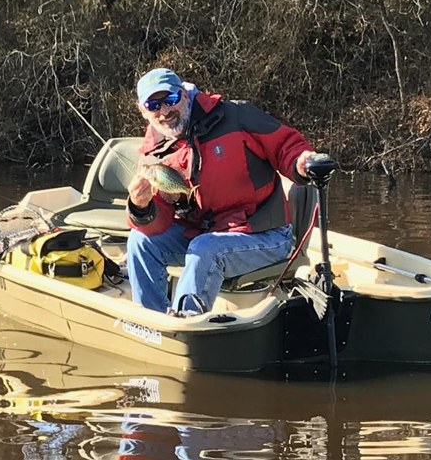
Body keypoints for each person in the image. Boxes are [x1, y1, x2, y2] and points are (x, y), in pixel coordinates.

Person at [126, 68, 315, 315]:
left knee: (205, 247)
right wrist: (141, 208)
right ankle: (152, 321)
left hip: (265, 234)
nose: (164, 111)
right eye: (153, 105)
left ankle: (186, 324)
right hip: (204, 233)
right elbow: (158, 223)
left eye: (170, 100)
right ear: (142, 110)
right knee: (140, 241)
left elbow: (285, 145)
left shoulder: (236, 115)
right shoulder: (152, 155)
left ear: (184, 94)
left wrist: (301, 161)